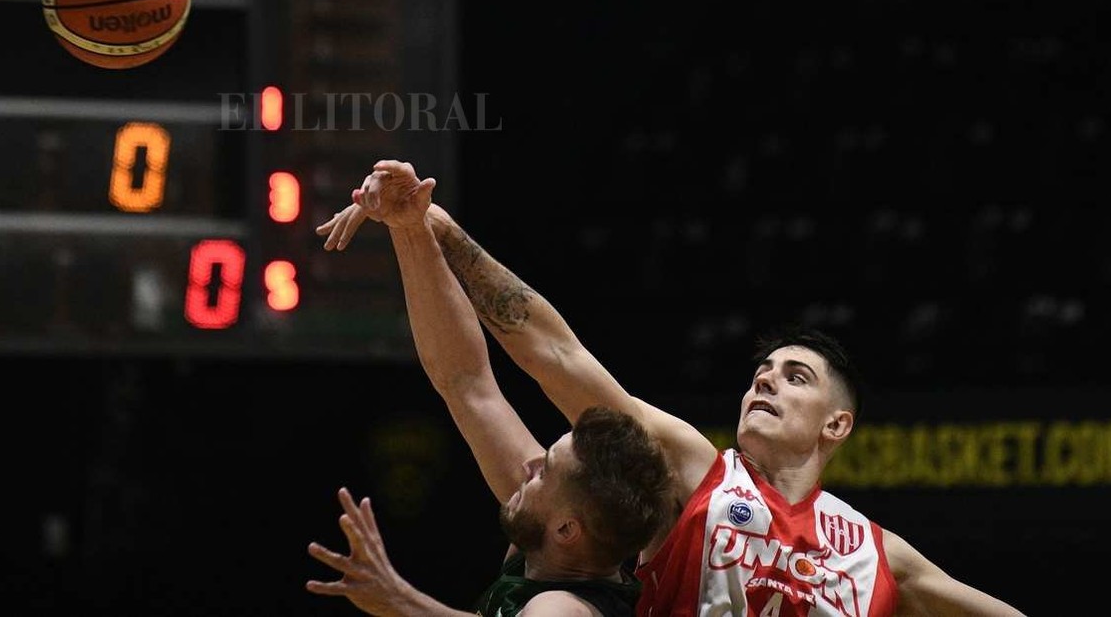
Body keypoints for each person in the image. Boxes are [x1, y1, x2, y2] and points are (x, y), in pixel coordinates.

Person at [319, 160, 1030, 617]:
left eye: (795, 375)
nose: (765, 378)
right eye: (763, 368)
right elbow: (546, 350)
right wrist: (432, 226)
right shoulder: (698, 471)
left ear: (836, 425)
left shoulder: (877, 555)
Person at [306, 170, 673, 616]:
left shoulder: (564, 607)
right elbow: (467, 383)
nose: (531, 462)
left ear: (566, 530)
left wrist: (397, 599)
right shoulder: (553, 546)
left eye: (546, 470)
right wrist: (409, 229)